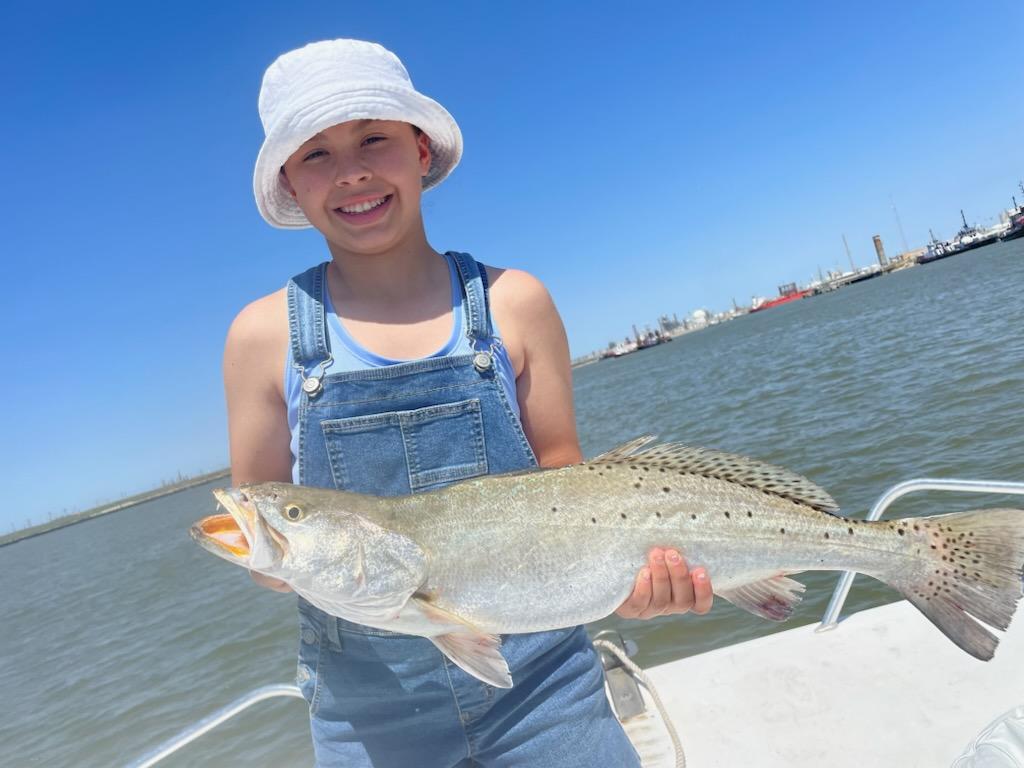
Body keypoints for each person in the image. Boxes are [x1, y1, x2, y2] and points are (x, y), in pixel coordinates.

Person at [224, 38, 713, 767]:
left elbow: (571, 488)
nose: (352, 170)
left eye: (374, 139)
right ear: (290, 186)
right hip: (366, 716)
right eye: (315, 154)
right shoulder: (262, 336)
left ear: (421, 151)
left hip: (547, 689)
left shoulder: (516, 303)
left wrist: (631, 581)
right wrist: (278, 548)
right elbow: (268, 554)